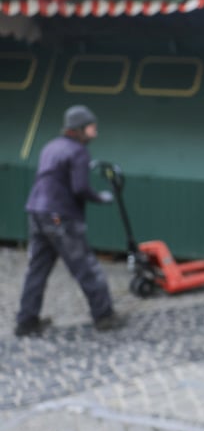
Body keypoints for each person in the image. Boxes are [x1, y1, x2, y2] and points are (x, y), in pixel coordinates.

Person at [15, 105, 124, 337]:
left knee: (37, 269)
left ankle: (26, 321)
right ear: (79, 129)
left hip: (36, 211)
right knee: (85, 266)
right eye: (92, 128)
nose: (95, 133)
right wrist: (101, 197)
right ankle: (104, 316)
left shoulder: (51, 146)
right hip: (61, 216)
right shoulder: (78, 152)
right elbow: (80, 187)